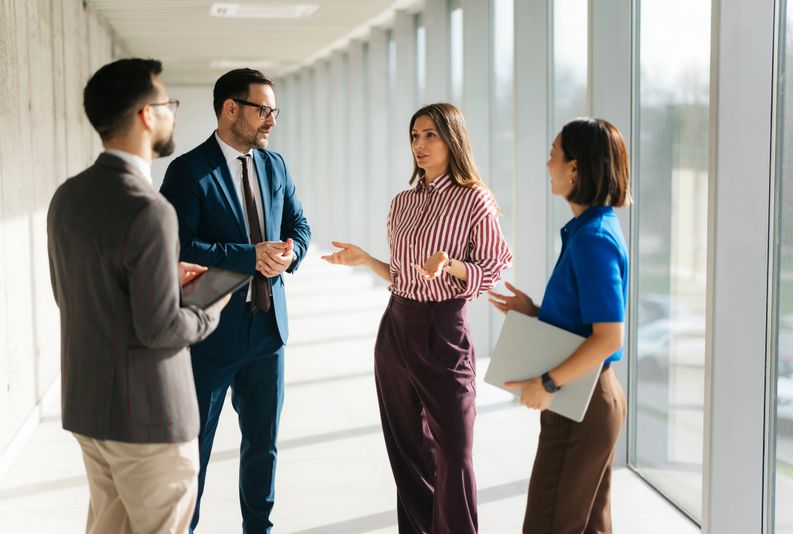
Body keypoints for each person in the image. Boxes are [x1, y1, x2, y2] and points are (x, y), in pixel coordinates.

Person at [46, 58, 228, 534]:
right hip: (147, 417)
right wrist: (209, 305)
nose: (173, 114)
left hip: (89, 409)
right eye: (168, 104)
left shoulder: (68, 196)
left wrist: (159, 275)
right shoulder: (149, 210)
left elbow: (77, 291)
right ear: (148, 115)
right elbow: (162, 328)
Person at [322, 102, 512, 534]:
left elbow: (495, 266)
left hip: (444, 329)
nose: (420, 145)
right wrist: (367, 260)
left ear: (452, 140)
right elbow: (402, 275)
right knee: (407, 451)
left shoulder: (474, 199)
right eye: (414, 135)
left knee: (455, 451)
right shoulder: (402, 203)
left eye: (430, 135)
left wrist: (451, 266)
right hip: (395, 327)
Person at [160, 68, 311, 534]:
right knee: (194, 450)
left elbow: (301, 227)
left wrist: (289, 257)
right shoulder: (187, 171)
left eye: (274, 111)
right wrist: (251, 256)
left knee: (263, 446)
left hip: (268, 331)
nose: (271, 120)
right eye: (263, 110)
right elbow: (177, 245)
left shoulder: (276, 165)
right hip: (210, 335)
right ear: (231, 109)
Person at [488, 118, 630, 533]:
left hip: (581, 404)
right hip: (589, 398)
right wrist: (535, 312)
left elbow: (608, 337)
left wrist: (546, 383)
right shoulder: (589, 231)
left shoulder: (593, 239)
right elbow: (587, 326)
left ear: (575, 168)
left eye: (554, 154)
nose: (547, 163)